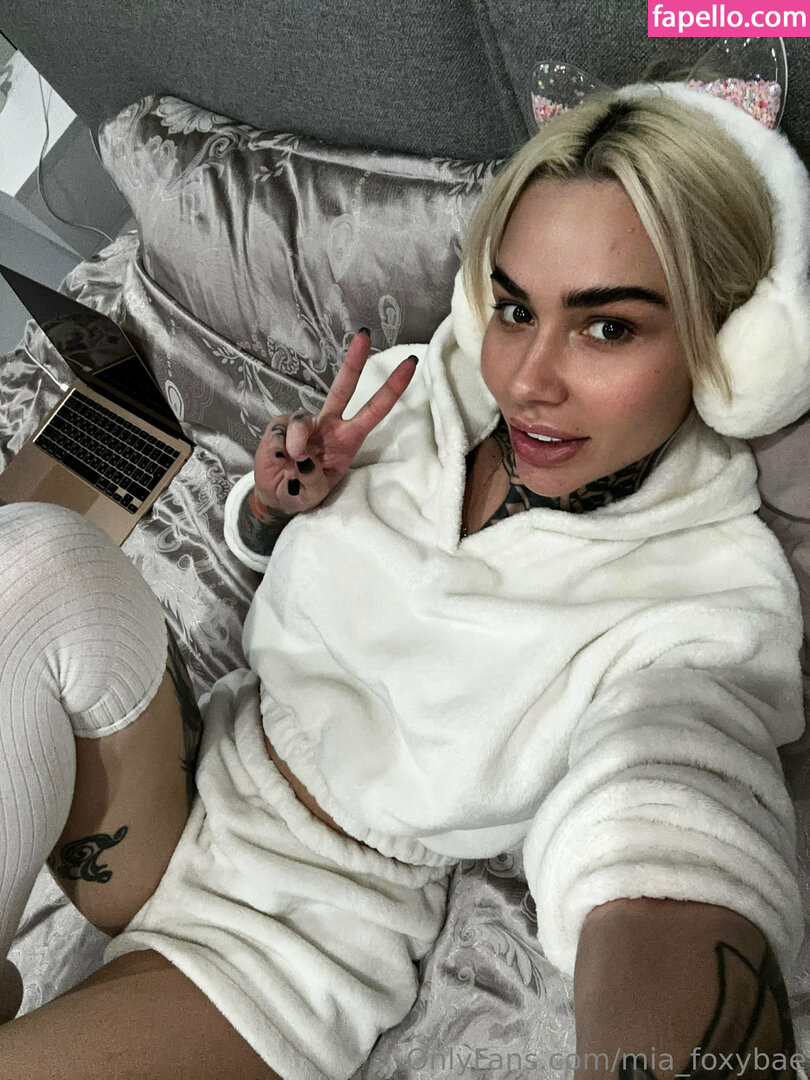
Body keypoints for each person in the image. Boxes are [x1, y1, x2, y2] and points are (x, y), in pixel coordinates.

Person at [0, 80, 807, 1079]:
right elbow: (269, 562)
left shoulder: (708, 597)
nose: (528, 380)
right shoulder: (420, 391)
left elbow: (672, 818)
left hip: (285, 931)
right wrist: (274, 509)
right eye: (515, 309)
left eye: (607, 327)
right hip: (193, 769)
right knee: (36, 551)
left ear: (729, 342)